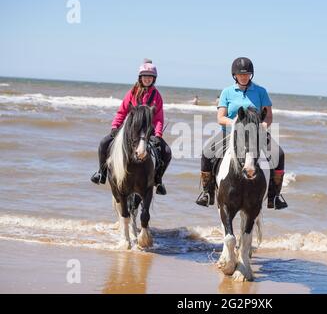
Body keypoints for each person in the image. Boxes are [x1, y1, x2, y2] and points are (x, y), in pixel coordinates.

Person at [195, 57, 288, 210]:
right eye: (241, 74)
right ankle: (207, 193)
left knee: (279, 154)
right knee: (206, 153)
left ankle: (275, 196)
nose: (244, 77)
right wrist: (236, 125)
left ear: (251, 75)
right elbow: (220, 118)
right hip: (229, 133)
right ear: (235, 75)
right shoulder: (227, 92)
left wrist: (264, 125)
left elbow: (269, 115)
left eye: (247, 74)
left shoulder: (261, 91)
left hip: (256, 133)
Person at [90, 59, 172, 195]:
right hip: (130, 131)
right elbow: (122, 111)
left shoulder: (157, 96)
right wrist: (115, 127)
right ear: (140, 78)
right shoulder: (132, 93)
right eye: (145, 76)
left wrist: (158, 135)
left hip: (147, 132)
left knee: (167, 152)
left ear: (154, 79)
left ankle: (158, 180)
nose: (147, 79)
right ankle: (101, 173)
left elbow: (158, 118)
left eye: (150, 77)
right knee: (104, 143)